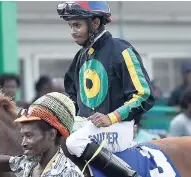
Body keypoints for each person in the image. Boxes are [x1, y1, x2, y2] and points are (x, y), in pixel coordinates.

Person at [58, 1, 154, 177]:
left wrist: (111, 118)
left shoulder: (121, 50)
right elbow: (71, 97)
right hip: (88, 126)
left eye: (77, 25)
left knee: (74, 142)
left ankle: (130, 175)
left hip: (119, 127)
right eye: (71, 25)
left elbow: (144, 95)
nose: (73, 31)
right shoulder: (81, 56)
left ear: (95, 23)